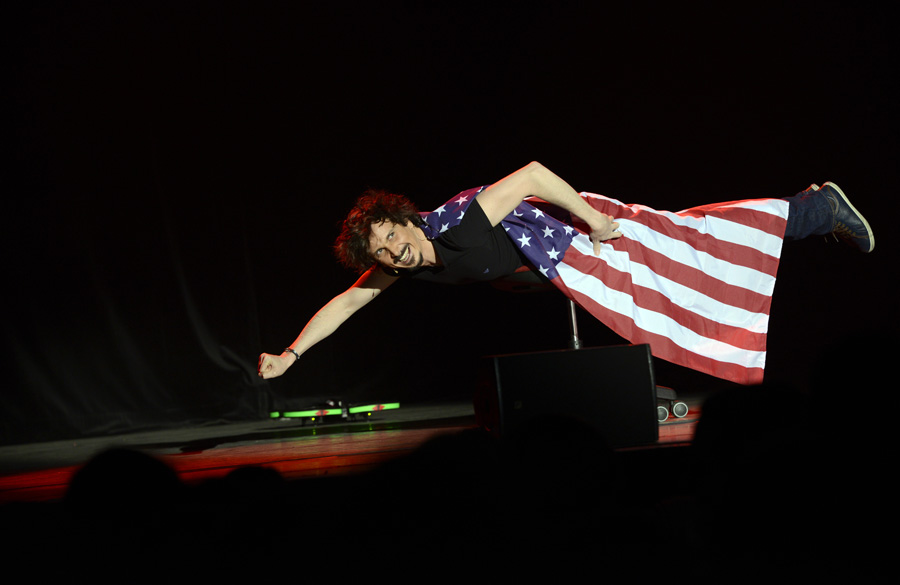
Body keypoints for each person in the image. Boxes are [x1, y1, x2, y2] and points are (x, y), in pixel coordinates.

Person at [257, 161, 873, 384]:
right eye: (384, 253)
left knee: (694, 244)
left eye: (393, 236)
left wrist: (598, 222)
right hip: (559, 267)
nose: (395, 254)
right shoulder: (408, 266)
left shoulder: (459, 223)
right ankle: (810, 211)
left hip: (578, 234)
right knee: (679, 266)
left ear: (404, 219)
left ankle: (815, 209)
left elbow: (530, 174)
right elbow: (347, 302)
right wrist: (290, 354)